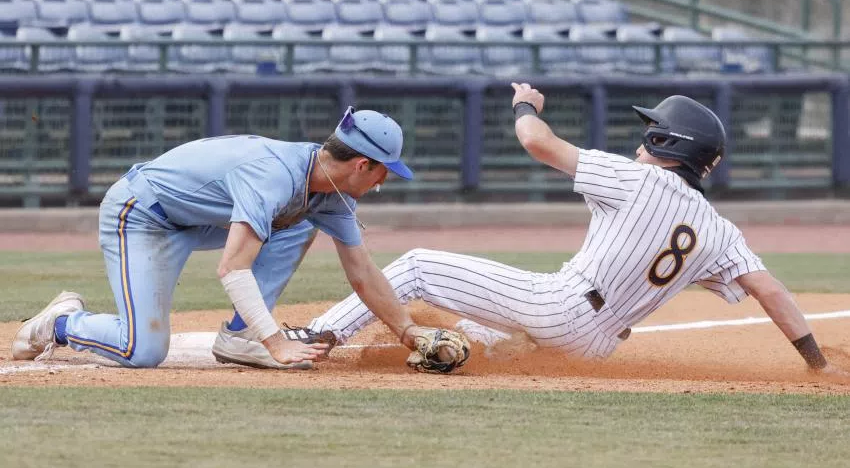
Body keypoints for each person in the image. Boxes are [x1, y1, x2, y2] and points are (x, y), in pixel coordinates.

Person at [298, 84, 838, 374]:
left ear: (668, 144)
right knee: (479, 334)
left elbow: (537, 142)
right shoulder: (720, 232)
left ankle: (317, 335)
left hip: (562, 307)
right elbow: (770, 290)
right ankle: (451, 353)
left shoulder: (637, 179)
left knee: (417, 265)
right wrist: (815, 363)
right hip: (596, 346)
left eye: (652, 131)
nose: (642, 139)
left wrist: (525, 105)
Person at [11, 107, 455, 370]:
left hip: (199, 218)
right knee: (141, 349)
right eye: (384, 172)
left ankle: (241, 337)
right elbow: (233, 267)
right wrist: (276, 342)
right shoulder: (274, 176)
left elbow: (362, 270)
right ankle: (61, 323)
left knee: (299, 221)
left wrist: (408, 331)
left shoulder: (328, 193)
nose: (383, 182)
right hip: (143, 214)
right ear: (361, 165)